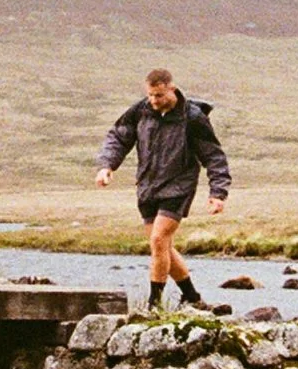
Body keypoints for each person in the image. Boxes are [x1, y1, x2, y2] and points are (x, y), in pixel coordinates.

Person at [95, 69, 232, 309]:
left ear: (171, 88)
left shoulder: (192, 117)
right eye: (150, 95)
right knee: (163, 245)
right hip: (148, 187)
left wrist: (218, 193)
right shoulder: (141, 111)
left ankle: (153, 306)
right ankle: (192, 297)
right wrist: (107, 166)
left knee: (159, 240)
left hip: (178, 187)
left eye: (158, 95)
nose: (154, 101)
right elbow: (118, 137)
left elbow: (213, 156)